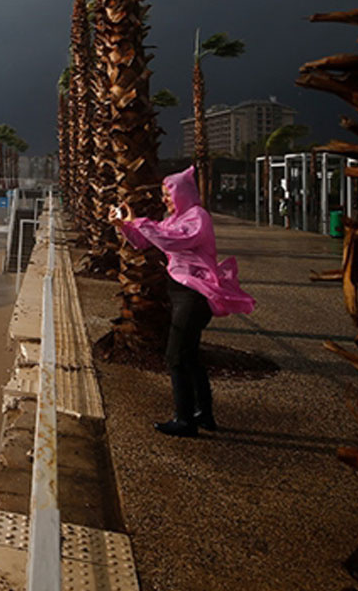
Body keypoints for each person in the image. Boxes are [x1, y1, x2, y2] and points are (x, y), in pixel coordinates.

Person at [110, 166, 256, 437]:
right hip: (181, 292)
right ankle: (204, 413)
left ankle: (185, 419)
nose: (164, 199)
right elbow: (144, 242)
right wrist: (125, 226)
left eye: (167, 194)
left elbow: (173, 241)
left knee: (175, 355)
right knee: (189, 355)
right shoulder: (175, 218)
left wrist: (139, 221)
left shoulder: (197, 218)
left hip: (195, 295)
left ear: (182, 192)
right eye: (163, 194)